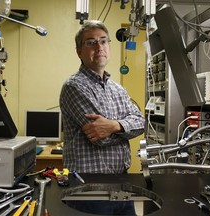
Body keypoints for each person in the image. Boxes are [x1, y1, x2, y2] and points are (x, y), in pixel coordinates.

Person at [59, 20, 145, 175]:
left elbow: (141, 123)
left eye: (103, 41)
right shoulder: (74, 86)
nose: (99, 47)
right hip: (87, 184)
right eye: (91, 42)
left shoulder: (118, 89)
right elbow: (100, 138)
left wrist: (114, 126)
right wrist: (126, 128)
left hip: (121, 177)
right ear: (79, 51)